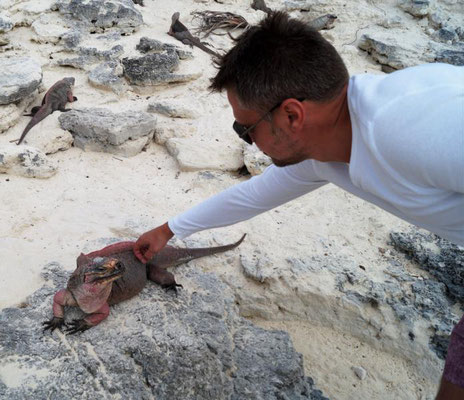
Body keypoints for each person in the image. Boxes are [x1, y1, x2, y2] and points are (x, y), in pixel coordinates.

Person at [133, 11, 464, 399]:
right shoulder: (325, 148)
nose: (247, 141)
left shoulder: (416, 130)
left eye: (246, 128)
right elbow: (253, 195)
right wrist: (170, 229)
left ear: (292, 115)